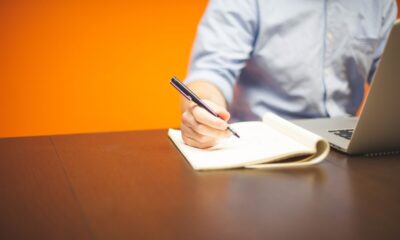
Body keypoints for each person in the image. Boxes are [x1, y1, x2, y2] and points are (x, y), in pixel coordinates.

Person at [180, 0, 398, 149]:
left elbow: (390, 78)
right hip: (261, 147)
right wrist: (204, 111)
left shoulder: (379, 4)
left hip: (348, 147)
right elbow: (211, 72)